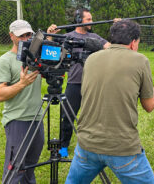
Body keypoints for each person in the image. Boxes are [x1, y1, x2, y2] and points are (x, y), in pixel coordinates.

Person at [65, 20, 154, 184]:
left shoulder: (91, 59)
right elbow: (149, 105)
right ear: (133, 42)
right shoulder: (140, 60)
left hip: (87, 144)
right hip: (122, 148)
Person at [47, 8, 113, 157]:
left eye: (91, 19)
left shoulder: (95, 37)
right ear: (78, 20)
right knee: (68, 116)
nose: (92, 21)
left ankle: (94, 145)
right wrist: (51, 35)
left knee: (95, 116)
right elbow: (49, 49)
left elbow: (111, 48)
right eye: (88, 19)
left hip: (93, 84)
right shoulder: (67, 36)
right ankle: (63, 146)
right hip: (74, 83)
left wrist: (117, 28)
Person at [0, 20, 44, 183]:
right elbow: (0, 94)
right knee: (15, 169)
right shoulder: (4, 61)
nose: (26, 38)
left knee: (30, 166)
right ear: (11, 36)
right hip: (18, 120)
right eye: (21, 35)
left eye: (29, 34)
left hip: (37, 118)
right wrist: (21, 84)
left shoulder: (35, 59)